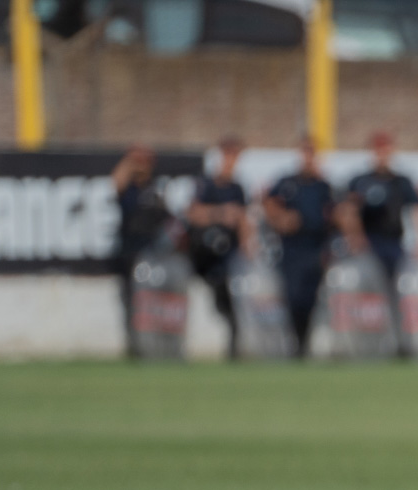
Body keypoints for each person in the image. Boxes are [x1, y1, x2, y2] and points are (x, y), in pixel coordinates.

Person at [341, 130, 418, 357]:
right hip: (370, 246)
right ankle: (367, 345)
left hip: (394, 245)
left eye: (386, 150)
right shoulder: (361, 181)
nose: (382, 155)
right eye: (378, 150)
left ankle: (400, 343)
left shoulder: (401, 182)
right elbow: (347, 211)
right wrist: (355, 237)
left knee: (397, 295)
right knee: (368, 297)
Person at [263, 134, 335, 356]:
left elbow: (335, 215)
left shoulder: (323, 186)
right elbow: (268, 203)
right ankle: (294, 343)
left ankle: (303, 345)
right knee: (293, 297)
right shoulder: (287, 183)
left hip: (315, 247)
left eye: (312, 152)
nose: (308, 157)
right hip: (292, 248)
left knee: (310, 299)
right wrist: (281, 218)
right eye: (305, 152)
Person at [184, 135, 255, 359]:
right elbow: (193, 214)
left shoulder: (237, 188)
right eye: (228, 155)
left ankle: (234, 347)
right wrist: (221, 213)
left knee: (230, 303)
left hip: (226, 257)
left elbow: (244, 220)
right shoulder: (206, 184)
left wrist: (247, 245)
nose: (231, 161)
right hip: (203, 253)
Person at [111, 145, 170, 357]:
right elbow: (116, 181)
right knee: (131, 303)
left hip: (153, 257)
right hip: (130, 254)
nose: (142, 166)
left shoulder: (155, 189)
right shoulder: (129, 189)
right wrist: (129, 159)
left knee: (153, 302)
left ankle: (155, 346)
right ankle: (136, 346)